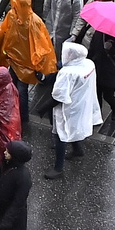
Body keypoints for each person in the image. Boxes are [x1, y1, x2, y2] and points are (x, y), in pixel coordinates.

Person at [44, 40, 102, 178]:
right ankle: (77, 149)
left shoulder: (67, 72)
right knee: (73, 128)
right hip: (81, 104)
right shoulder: (89, 64)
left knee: (60, 134)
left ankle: (58, 168)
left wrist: (42, 108)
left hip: (68, 108)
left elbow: (58, 96)